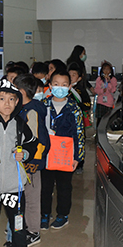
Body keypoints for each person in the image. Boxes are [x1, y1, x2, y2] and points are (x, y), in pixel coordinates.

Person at [0, 79, 38, 247]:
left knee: (17, 225)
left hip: (14, 187)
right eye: (1, 99)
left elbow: (33, 144)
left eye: (11, 99)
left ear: (17, 102)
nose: (7, 103)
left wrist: (25, 153)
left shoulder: (20, 124)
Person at [40, 70, 85, 230]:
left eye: (64, 85)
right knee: (45, 186)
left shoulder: (74, 108)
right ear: (50, 86)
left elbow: (79, 133)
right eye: (56, 84)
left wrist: (78, 157)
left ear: (70, 87)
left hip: (65, 154)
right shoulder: (43, 105)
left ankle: (63, 215)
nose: (60, 88)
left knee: (64, 187)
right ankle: (45, 214)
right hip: (46, 154)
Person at [14, 74, 50, 247]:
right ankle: (23, 227)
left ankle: (34, 231)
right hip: (23, 161)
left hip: (31, 163)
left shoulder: (32, 111)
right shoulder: (22, 109)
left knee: (32, 198)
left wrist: (32, 164)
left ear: (21, 92)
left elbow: (36, 140)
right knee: (23, 198)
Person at [93, 61, 118, 126]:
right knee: (100, 119)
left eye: (108, 69)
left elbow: (113, 90)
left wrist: (108, 82)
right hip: (101, 102)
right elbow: (96, 90)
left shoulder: (113, 79)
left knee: (107, 120)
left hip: (109, 102)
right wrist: (102, 91)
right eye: (104, 69)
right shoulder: (99, 79)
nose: (106, 71)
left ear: (111, 70)